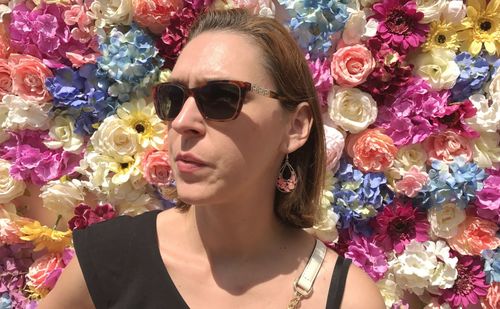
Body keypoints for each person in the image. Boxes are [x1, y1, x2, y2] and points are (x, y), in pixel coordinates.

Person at [39, 8, 385, 309]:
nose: (184, 122)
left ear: (295, 127)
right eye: (173, 98)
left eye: (221, 96)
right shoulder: (108, 259)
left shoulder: (343, 299)